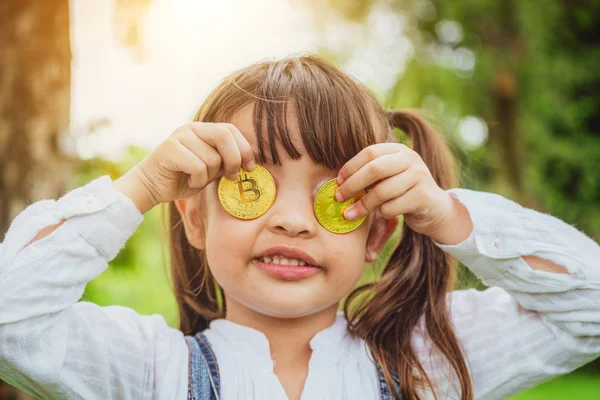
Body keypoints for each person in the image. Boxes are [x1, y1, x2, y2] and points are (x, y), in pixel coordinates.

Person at [0, 54, 599, 400]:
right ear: (194, 219)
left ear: (375, 236)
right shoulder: (150, 371)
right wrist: (137, 189)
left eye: (332, 194)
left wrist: (447, 215)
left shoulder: (428, 363)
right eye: (251, 185)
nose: (289, 219)